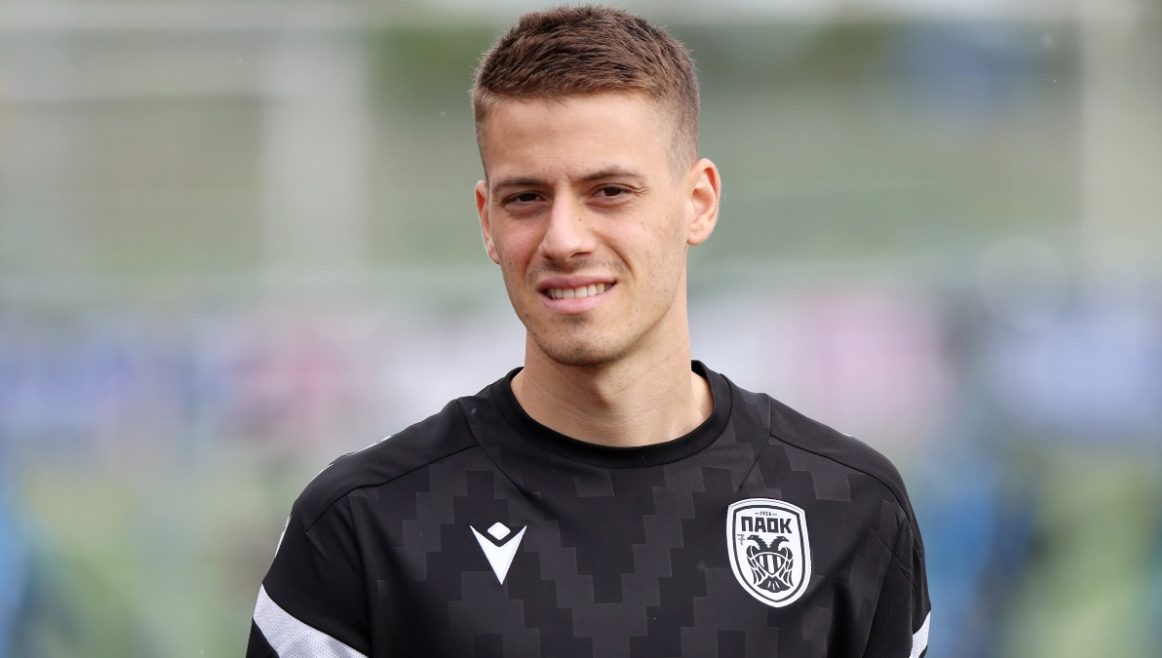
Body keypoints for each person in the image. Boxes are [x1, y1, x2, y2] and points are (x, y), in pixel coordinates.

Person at [247, 6, 930, 657]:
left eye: (610, 192)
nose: (564, 239)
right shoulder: (365, 526)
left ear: (698, 203)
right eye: (526, 198)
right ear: (487, 221)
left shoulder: (847, 508)